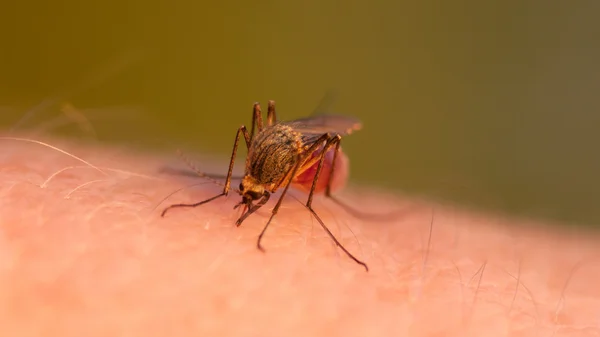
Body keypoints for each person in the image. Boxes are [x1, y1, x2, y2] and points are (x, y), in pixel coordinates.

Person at [1, 132, 598, 336]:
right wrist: (236, 186)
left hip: (314, 166)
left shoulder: (287, 169)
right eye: (244, 196)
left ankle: (312, 209)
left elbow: (315, 151)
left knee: (296, 174)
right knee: (255, 132)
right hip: (278, 155)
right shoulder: (258, 163)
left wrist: (291, 191)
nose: (244, 205)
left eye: (245, 196)